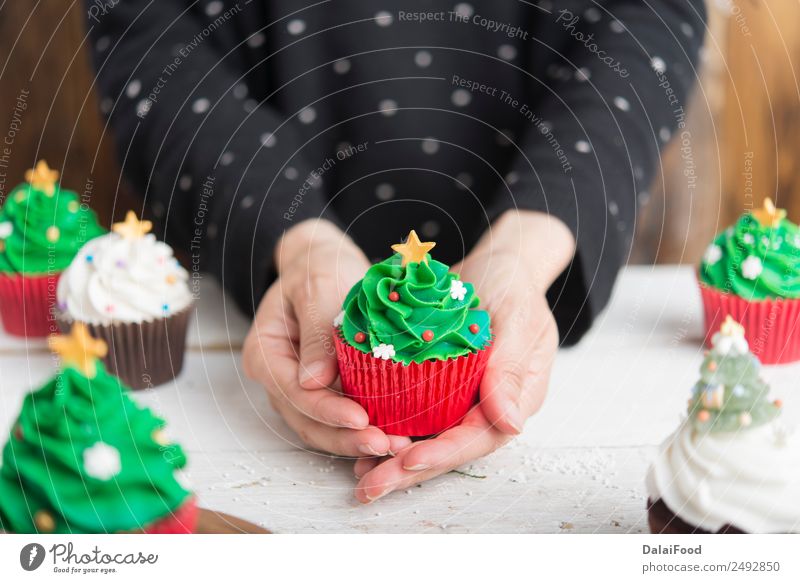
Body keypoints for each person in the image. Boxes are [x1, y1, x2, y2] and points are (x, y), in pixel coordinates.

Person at [86, 0, 706, 502]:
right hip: (263, 241)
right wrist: (293, 239)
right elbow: (147, 32)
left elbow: (652, 16)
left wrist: (529, 243)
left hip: (526, 231)